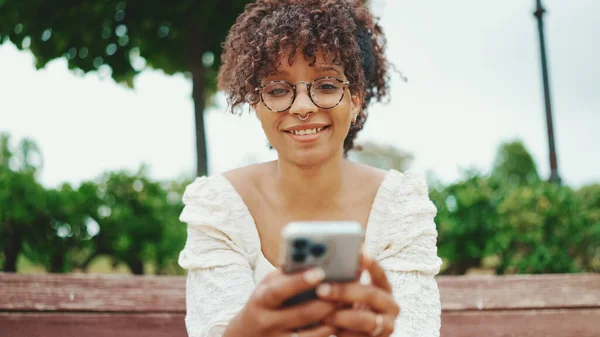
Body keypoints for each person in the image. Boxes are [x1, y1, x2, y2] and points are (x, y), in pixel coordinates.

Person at [178, 1, 442, 336]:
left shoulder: (401, 206)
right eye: (277, 89)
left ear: (356, 98)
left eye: (327, 85)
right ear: (255, 103)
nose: (302, 106)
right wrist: (248, 328)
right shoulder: (219, 206)